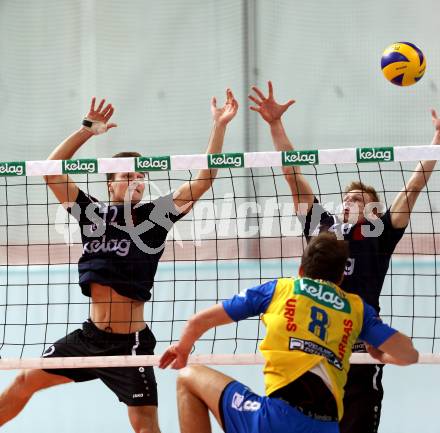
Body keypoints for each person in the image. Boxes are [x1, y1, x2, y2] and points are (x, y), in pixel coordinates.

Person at [0, 90, 238, 433]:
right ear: (110, 182)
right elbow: (51, 172)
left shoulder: (153, 216)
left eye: (140, 177)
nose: (136, 181)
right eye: (127, 176)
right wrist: (87, 130)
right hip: (89, 338)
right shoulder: (92, 213)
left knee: (144, 425)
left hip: (131, 343)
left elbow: (204, 181)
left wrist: (218, 127)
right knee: (24, 380)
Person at [247, 81, 439, 433]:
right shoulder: (322, 226)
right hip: (313, 343)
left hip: (360, 342)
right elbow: (292, 174)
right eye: (346, 198)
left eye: (358, 199)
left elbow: (414, 186)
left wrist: (436, 143)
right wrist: (275, 124)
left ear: (373, 209)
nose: (349, 201)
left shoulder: (380, 232)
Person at [159, 232, 418, 433]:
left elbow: (196, 322)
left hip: (275, 418)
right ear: (341, 278)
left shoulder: (280, 289)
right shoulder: (358, 308)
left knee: (188, 377)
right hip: (327, 427)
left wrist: (182, 350)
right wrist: (379, 355)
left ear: (301, 270)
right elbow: (409, 355)